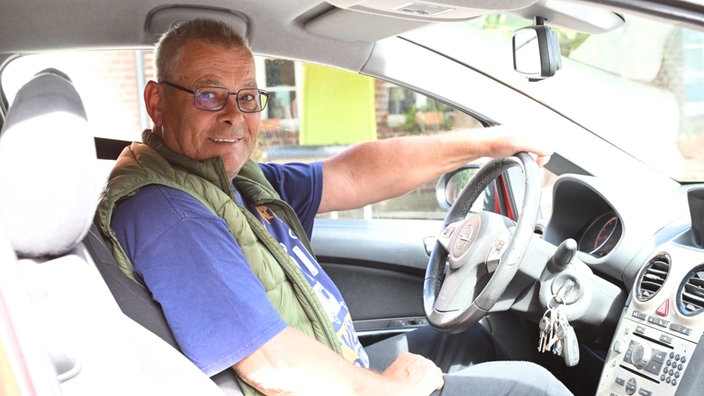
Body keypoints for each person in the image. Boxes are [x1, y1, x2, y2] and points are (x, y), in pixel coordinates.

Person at [97, 18, 571, 396]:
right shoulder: (167, 210)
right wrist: (385, 390)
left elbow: (351, 174)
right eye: (208, 94)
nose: (234, 116)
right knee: (533, 388)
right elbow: (269, 364)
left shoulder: (230, 179)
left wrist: (491, 142)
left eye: (247, 97)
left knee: (472, 341)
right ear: (156, 101)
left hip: (336, 364)